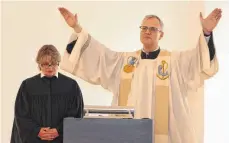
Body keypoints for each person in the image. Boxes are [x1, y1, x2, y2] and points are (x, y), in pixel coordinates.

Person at [58, 7, 221, 143]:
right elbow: (99, 56)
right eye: (144, 28)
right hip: (128, 135)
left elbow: (200, 61)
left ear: (161, 34)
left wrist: (206, 32)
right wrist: (77, 29)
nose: (147, 32)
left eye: (153, 29)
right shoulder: (124, 61)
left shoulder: (175, 62)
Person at [10, 45, 84, 143]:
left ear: (58, 63)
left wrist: (59, 130)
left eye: (53, 64)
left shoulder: (70, 86)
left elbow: (76, 114)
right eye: (45, 64)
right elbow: (21, 115)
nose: (50, 68)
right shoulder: (27, 86)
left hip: (62, 139)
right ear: (39, 64)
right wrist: (37, 131)